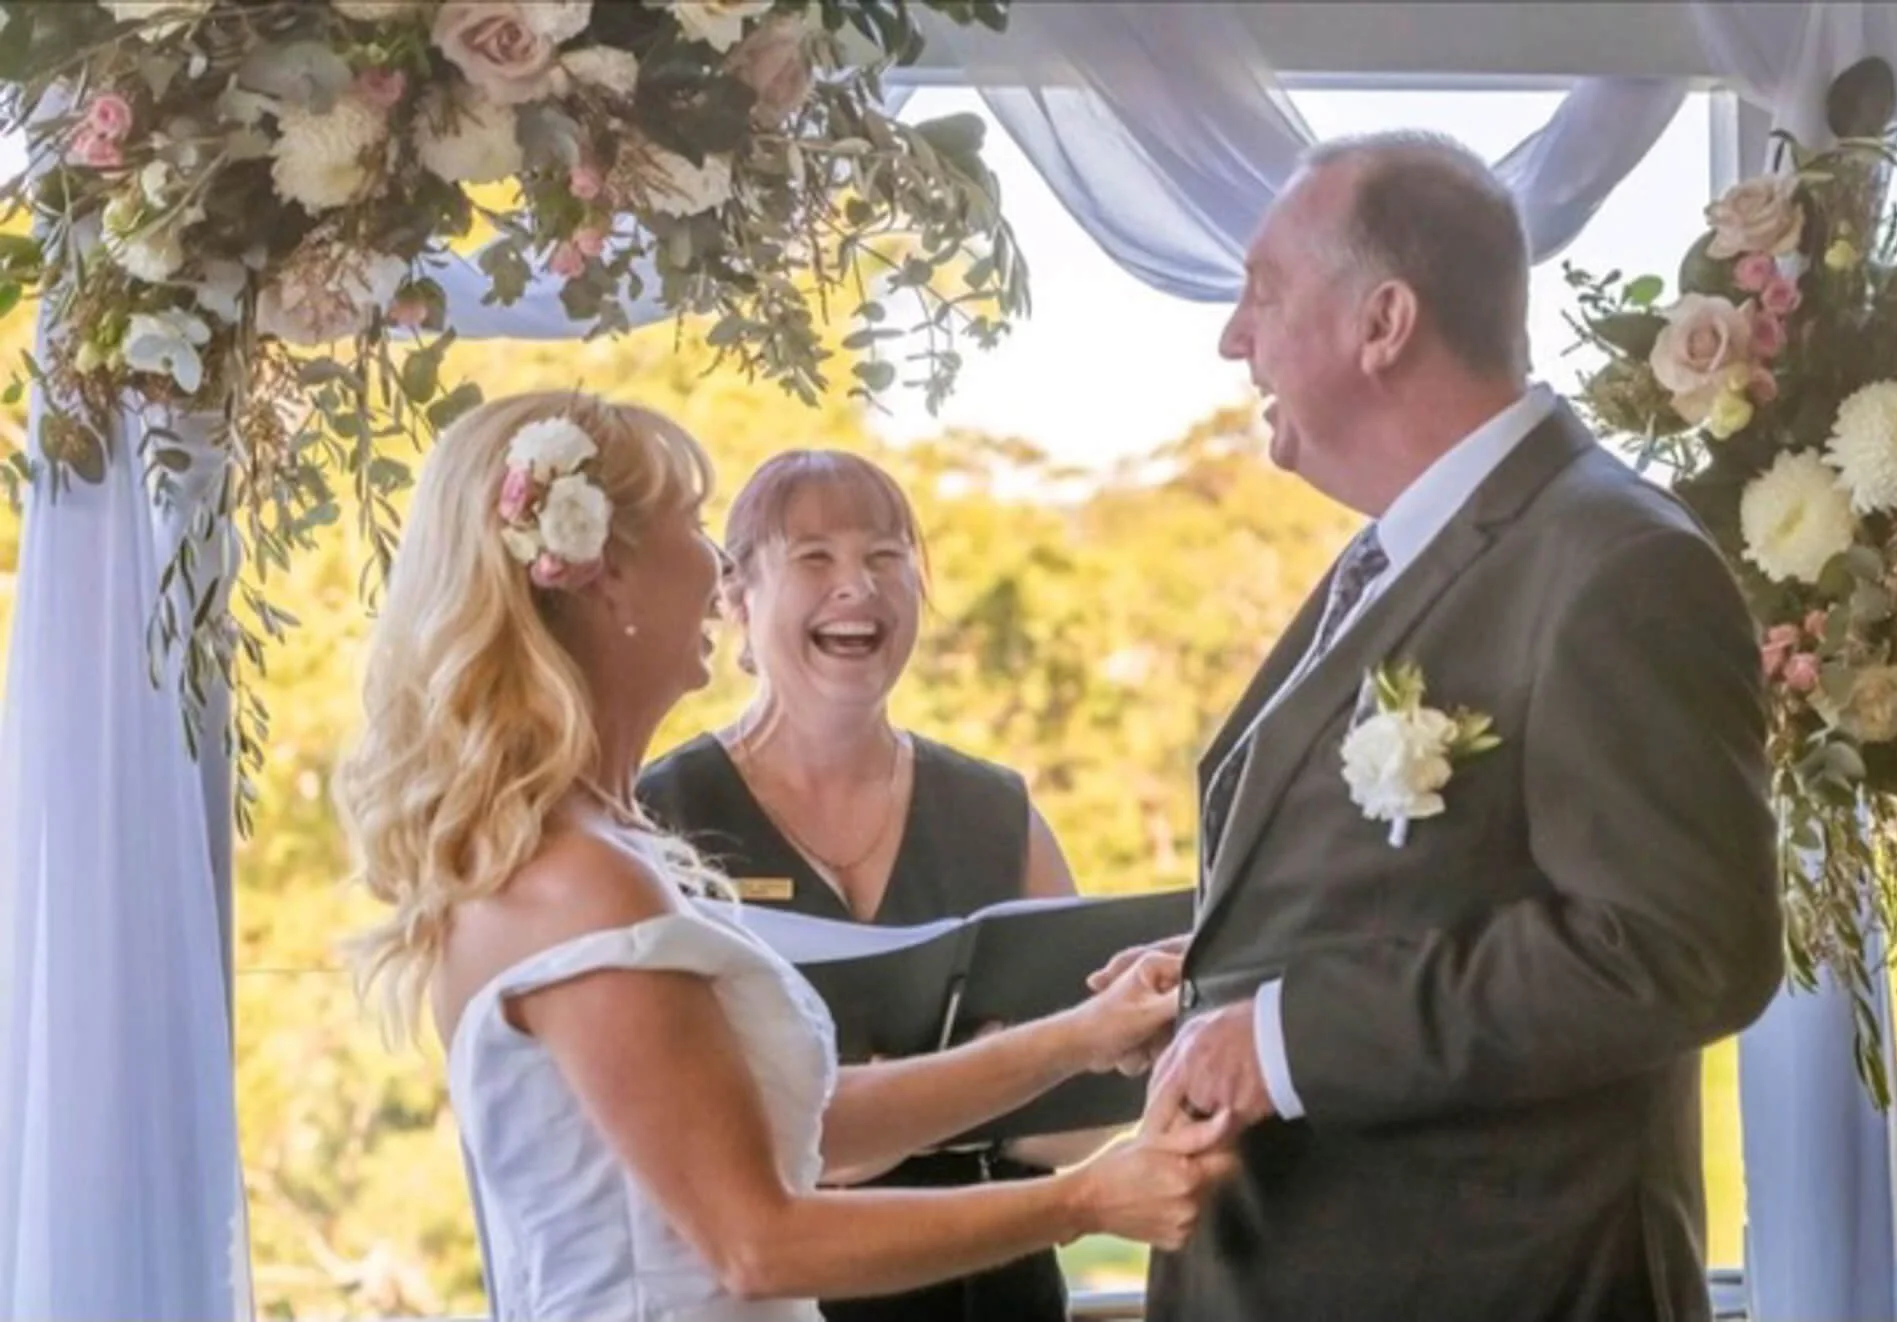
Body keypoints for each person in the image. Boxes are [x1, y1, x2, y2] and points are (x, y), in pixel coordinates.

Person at [334, 392, 1236, 1322]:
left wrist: (1080, 1035)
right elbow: (755, 1242)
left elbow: (807, 1127)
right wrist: (1089, 1198)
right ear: (605, 578)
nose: (715, 561)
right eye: (691, 524)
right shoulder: (579, 882)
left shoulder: (595, 852)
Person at [1104, 132, 1785, 1322]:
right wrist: (1213, 983)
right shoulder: (1413, 548)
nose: (1232, 335)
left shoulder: (1613, 564)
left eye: (1261, 290)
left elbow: (1676, 943)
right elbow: (1426, 889)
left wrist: (1282, 1034)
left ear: (1383, 323)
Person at [638, 449, 1117, 1322]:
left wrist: (887, 1115)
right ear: (736, 598)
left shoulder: (998, 812)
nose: (858, 587)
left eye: (887, 557)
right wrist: (977, 1079)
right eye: (815, 557)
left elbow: (1088, 1109)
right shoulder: (657, 820)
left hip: (995, 1290)